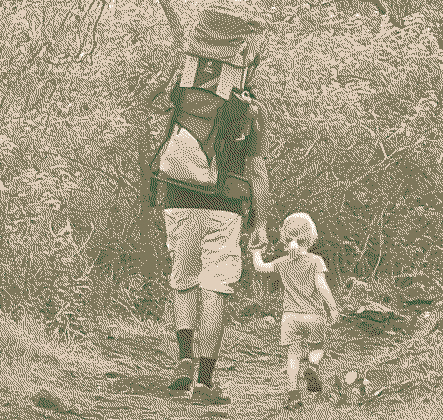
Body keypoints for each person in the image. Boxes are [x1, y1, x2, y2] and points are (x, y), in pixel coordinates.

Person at [161, 2, 272, 406]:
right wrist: (260, 221)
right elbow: (257, 171)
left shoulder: (185, 89)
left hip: (177, 196)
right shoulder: (249, 109)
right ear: (247, 65)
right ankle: (206, 382)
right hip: (224, 206)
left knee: (184, 278)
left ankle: (184, 359)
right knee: (215, 289)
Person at [251, 212, 340, 409]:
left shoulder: (283, 262)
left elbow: (261, 267)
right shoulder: (315, 260)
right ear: (310, 237)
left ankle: (293, 393)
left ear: (285, 236)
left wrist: (256, 250)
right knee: (317, 347)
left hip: (290, 317)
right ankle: (312, 367)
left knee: (293, 355)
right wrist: (332, 308)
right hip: (314, 316)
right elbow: (322, 286)